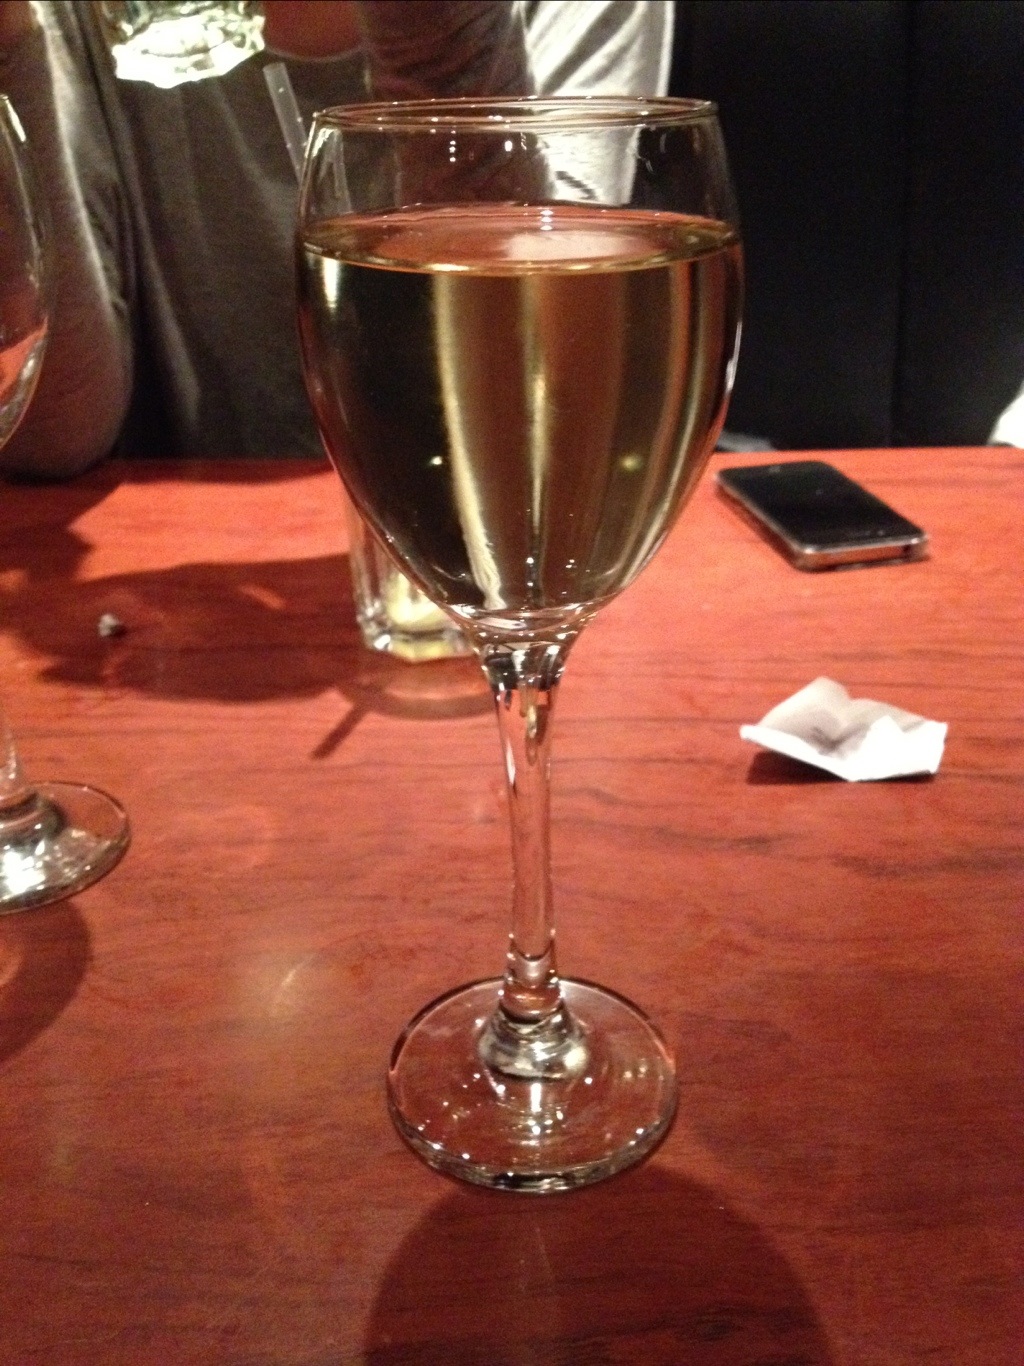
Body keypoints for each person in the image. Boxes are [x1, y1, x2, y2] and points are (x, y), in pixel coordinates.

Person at [0, 0, 673, 480]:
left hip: (502, 558)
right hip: (165, 587)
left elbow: (530, 385)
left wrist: (439, 35)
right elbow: (49, 433)